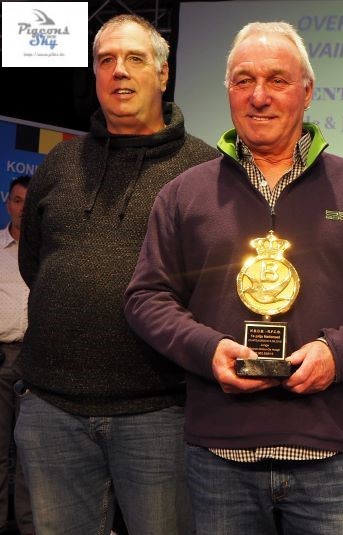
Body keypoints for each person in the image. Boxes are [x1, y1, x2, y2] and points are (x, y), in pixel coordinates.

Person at [123, 21, 343, 534]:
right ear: (228, 91)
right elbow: (146, 297)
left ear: (307, 91)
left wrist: (338, 354)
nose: (259, 96)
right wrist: (206, 350)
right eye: (244, 80)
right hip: (220, 454)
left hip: (331, 452)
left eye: (277, 80)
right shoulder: (184, 193)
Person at [15, 14, 219, 535]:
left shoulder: (206, 171)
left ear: (163, 74)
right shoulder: (60, 163)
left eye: (134, 59)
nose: (119, 72)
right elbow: (35, 264)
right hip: (51, 410)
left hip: (160, 412)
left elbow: (217, 287)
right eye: (106, 60)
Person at [0, 175, 33, 535]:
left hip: (36, 361)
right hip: (0, 356)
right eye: (17, 200)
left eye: (29, 201)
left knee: (30, 452)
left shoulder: (46, 250)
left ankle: (29, 527)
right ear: (8, 203)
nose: (22, 209)